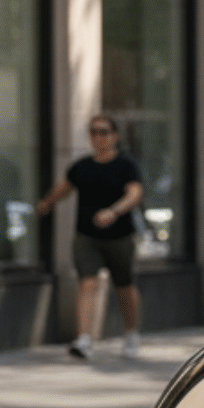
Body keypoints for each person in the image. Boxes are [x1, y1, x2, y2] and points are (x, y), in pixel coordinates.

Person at [36, 114, 144, 360]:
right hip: (87, 236)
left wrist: (114, 211)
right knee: (87, 282)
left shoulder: (126, 166)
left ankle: (131, 333)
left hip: (120, 237)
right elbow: (63, 188)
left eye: (104, 132)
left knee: (124, 286)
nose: (99, 137)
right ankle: (84, 339)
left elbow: (135, 193)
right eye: (94, 132)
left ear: (115, 136)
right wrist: (46, 203)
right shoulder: (82, 166)